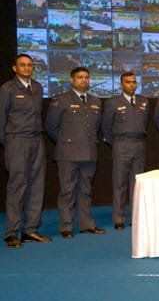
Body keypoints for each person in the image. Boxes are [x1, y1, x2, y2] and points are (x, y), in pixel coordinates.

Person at [0, 54, 51, 248]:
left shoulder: (37, 88)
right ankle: (11, 232)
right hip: (17, 141)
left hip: (37, 141)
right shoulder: (6, 90)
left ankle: (30, 230)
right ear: (14, 68)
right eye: (23, 65)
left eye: (30, 65)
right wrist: (10, 142)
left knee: (36, 187)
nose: (27, 68)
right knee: (17, 187)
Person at [45, 67, 105, 238]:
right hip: (68, 153)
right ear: (72, 80)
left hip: (89, 152)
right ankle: (66, 227)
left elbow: (96, 126)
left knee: (86, 190)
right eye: (80, 77)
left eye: (86, 77)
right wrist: (66, 142)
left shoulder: (95, 101)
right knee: (67, 191)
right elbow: (51, 126)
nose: (83, 80)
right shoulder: (61, 100)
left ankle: (87, 225)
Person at [101, 72, 148, 231]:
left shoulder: (143, 101)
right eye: (128, 82)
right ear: (121, 84)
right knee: (120, 183)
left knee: (137, 184)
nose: (132, 84)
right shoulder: (113, 102)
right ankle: (119, 218)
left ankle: (136, 217)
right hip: (121, 145)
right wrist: (116, 143)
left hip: (139, 145)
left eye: (134, 82)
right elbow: (106, 127)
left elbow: (144, 124)